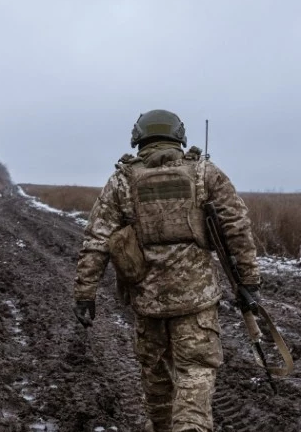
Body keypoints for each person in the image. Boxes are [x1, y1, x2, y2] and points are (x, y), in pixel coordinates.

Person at [73, 109, 261, 432]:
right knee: (195, 377)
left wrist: (84, 293)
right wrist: (249, 281)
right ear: (179, 137)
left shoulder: (122, 181)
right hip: (197, 306)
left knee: (157, 387)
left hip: (148, 307)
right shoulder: (204, 174)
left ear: (139, 139)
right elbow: (237, 228)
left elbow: (97, 238)